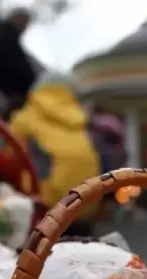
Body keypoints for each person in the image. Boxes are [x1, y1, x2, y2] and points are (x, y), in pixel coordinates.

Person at [8, 73, 101, 236]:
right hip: (84, 205)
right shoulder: (80, 120)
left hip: (44, 207)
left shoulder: (23, 119)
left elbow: (9, 160)